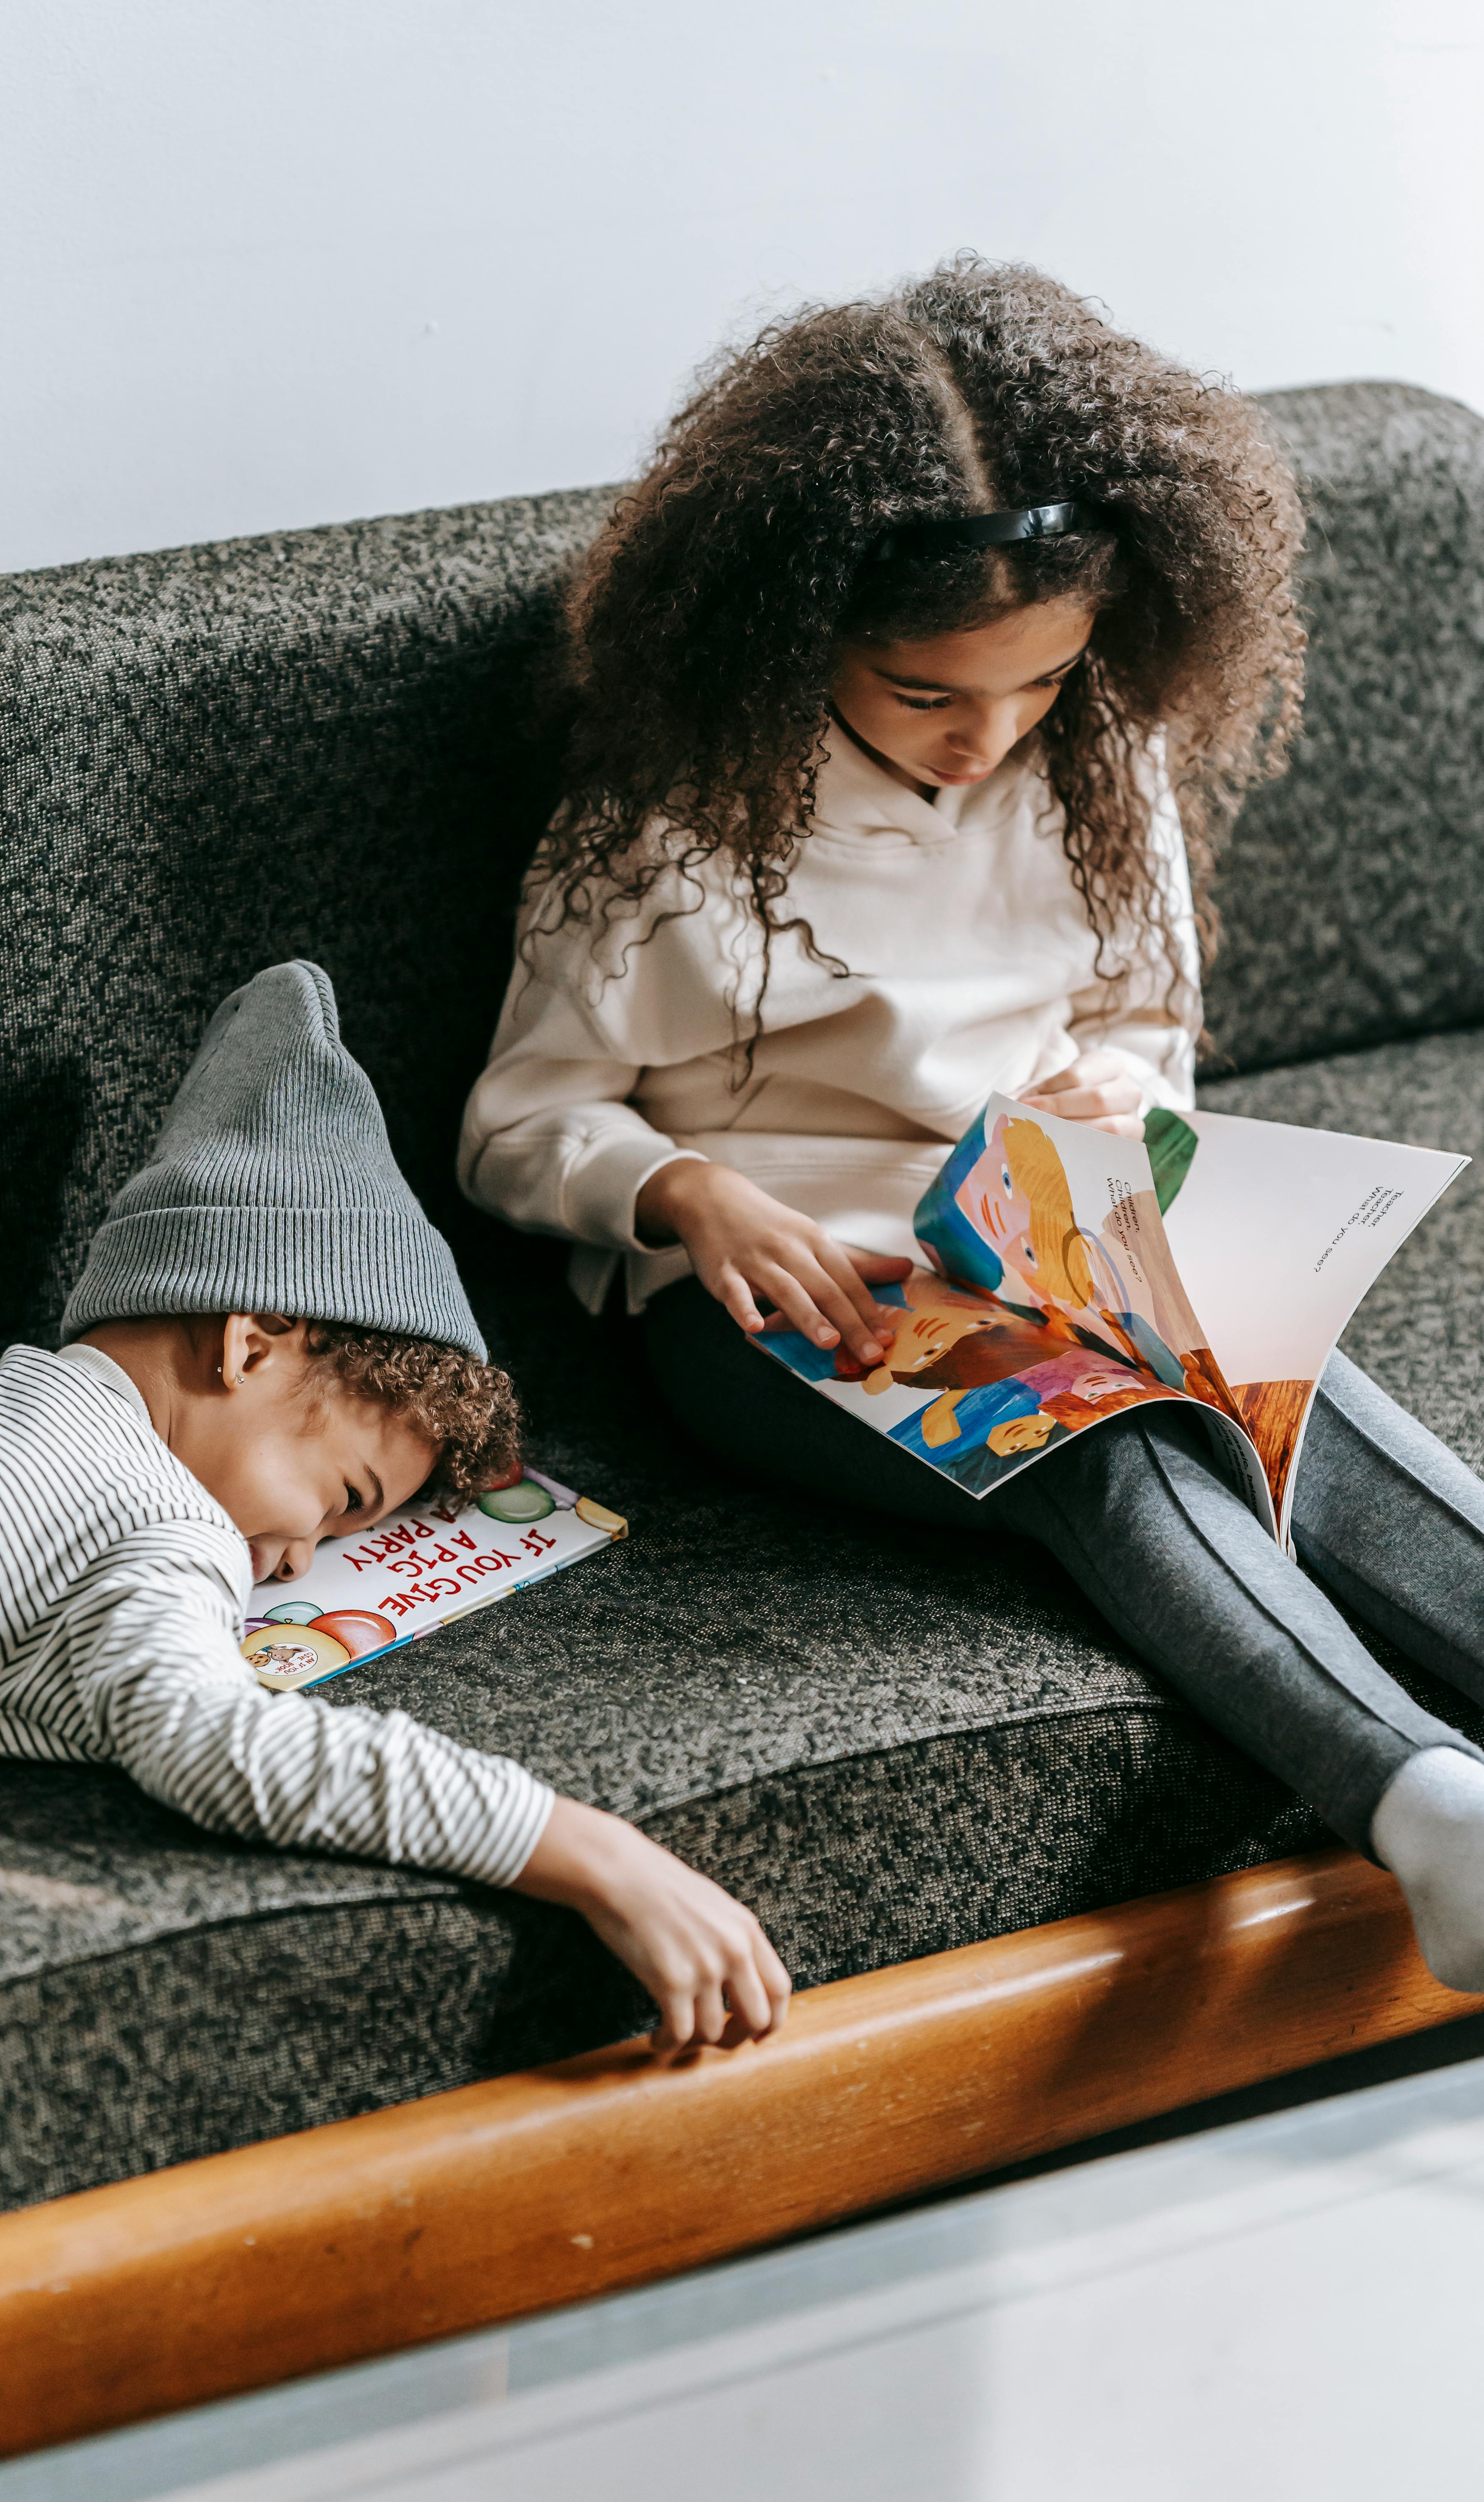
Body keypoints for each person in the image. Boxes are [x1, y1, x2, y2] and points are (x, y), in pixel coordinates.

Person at [460, 259, 1484, 1994]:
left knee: (1295, 1387)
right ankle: (1428, 1808)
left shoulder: (1098, 760)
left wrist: (1124, 1103)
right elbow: (523, 1116)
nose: (984, 737)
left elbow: (1142, 1025)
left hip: (1060, 1212)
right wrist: (682, 1190)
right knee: (1116, 1443)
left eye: (1035, 687)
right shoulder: (669, 825)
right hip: (797, 1284)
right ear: (800, 630)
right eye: (927, 692)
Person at [0, 961, 788, 2056]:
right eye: (343, 1499)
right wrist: (591, 1850)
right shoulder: (150, 1520)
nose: (297, 1563)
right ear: (253, 1343)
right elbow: (220, 1741)